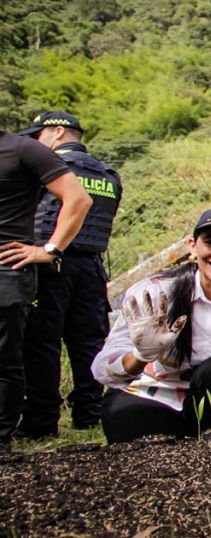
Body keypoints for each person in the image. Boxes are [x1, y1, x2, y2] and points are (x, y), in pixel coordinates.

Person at [91, 207, 211, 443]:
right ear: (193, 246)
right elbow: (104, 370)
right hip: (156, 394)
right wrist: (140, 355)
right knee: (128, 425)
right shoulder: (153, 294)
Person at [15, 112, 123, 438]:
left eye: (39, 134)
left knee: (41, 343)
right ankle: (89, 415)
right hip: (91, 267)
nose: (35, 142)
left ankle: (41, 421)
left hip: (48, 264)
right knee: (88, 343)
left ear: (58, 131)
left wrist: (46, 248)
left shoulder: (43, 169)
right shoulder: (107, 173)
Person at [0, 123, 91, 453]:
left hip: (7, 270)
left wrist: (50, 249)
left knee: (5, 358)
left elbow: (78, 199)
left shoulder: (24, 149)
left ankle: (1, 440)